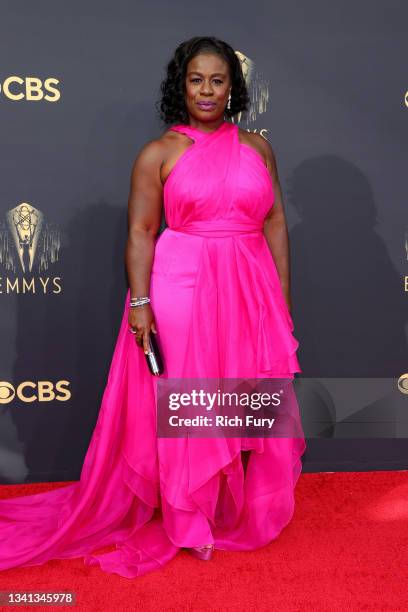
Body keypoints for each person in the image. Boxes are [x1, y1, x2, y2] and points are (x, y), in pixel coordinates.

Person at [0, 36, 306, 579]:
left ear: (233, 86)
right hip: (183, 284)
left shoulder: (258, 147)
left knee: (240, 391)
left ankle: (227, 507)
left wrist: (278, 298)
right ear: (180, 86)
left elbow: (275, 222)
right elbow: (142, 232)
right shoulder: (159, 152)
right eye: (196, 80)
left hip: (248, 281)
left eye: (218, 80)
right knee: (190, 397)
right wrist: (140, 301)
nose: (207, 90)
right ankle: (189, 521)